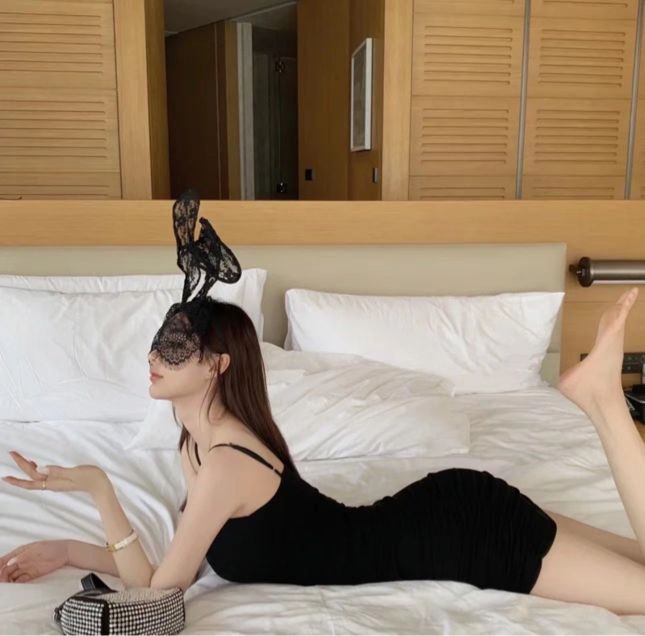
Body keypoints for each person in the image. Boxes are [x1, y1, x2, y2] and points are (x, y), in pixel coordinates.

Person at [2, 195, 645, 616]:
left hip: (462, 537)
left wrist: (99, 487)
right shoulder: (198, 442)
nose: (153, 357)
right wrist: (71, 552)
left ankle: (604, 403)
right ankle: (600, 399)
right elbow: (175, 566)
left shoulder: (224, 462)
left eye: (174, 348)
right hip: (446, 512)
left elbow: (157, 591)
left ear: (216, 365)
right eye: (158, 343)